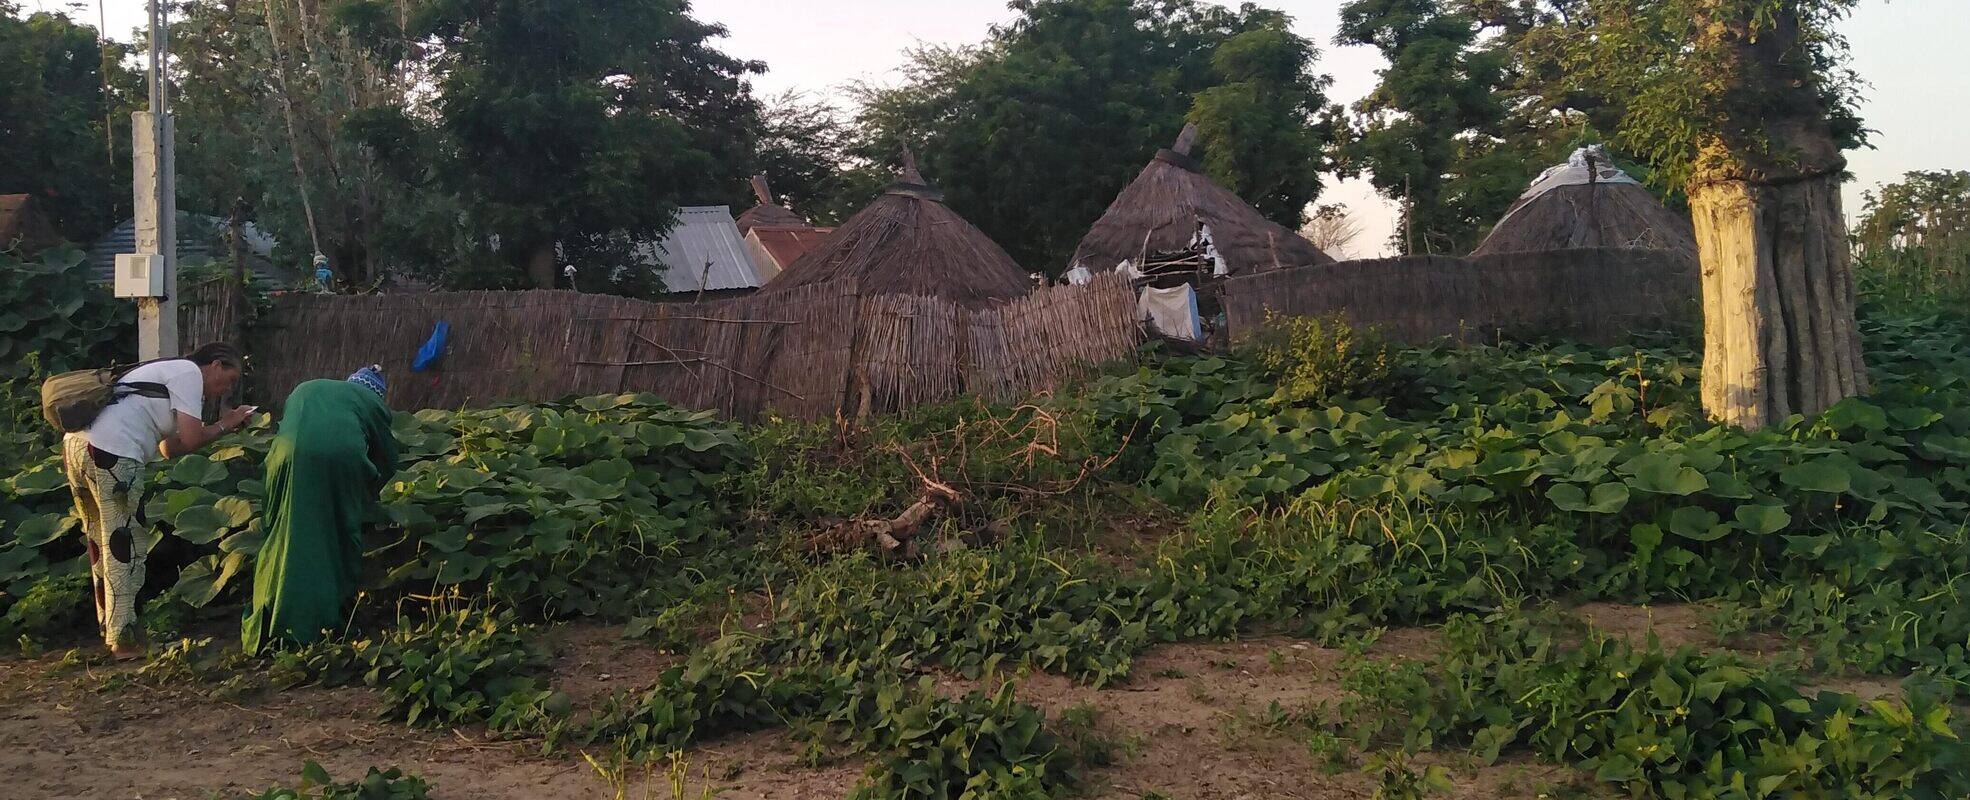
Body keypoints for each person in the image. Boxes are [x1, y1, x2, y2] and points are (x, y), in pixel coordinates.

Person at [62, 342, 254, 659]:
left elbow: (169, 449)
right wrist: (226, 424)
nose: (226, 389)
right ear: (216, 365)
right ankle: (125, 641)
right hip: (112, 453)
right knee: (126, 546)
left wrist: (221, 427)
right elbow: (193, 438)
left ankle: (111, 632)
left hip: (77, 448)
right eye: (230, 379)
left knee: (99, 540)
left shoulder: (165, 372)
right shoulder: (189, 372)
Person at [242, 365, 399, 653]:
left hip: (283, 460)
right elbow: (387, 459)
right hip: (338, 461)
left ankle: (272, 615)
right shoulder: (372, 402)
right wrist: (372, 496)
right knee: (338, 534)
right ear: (376, 393)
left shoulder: (309, 387)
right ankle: (327, 621)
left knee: (281, 531)